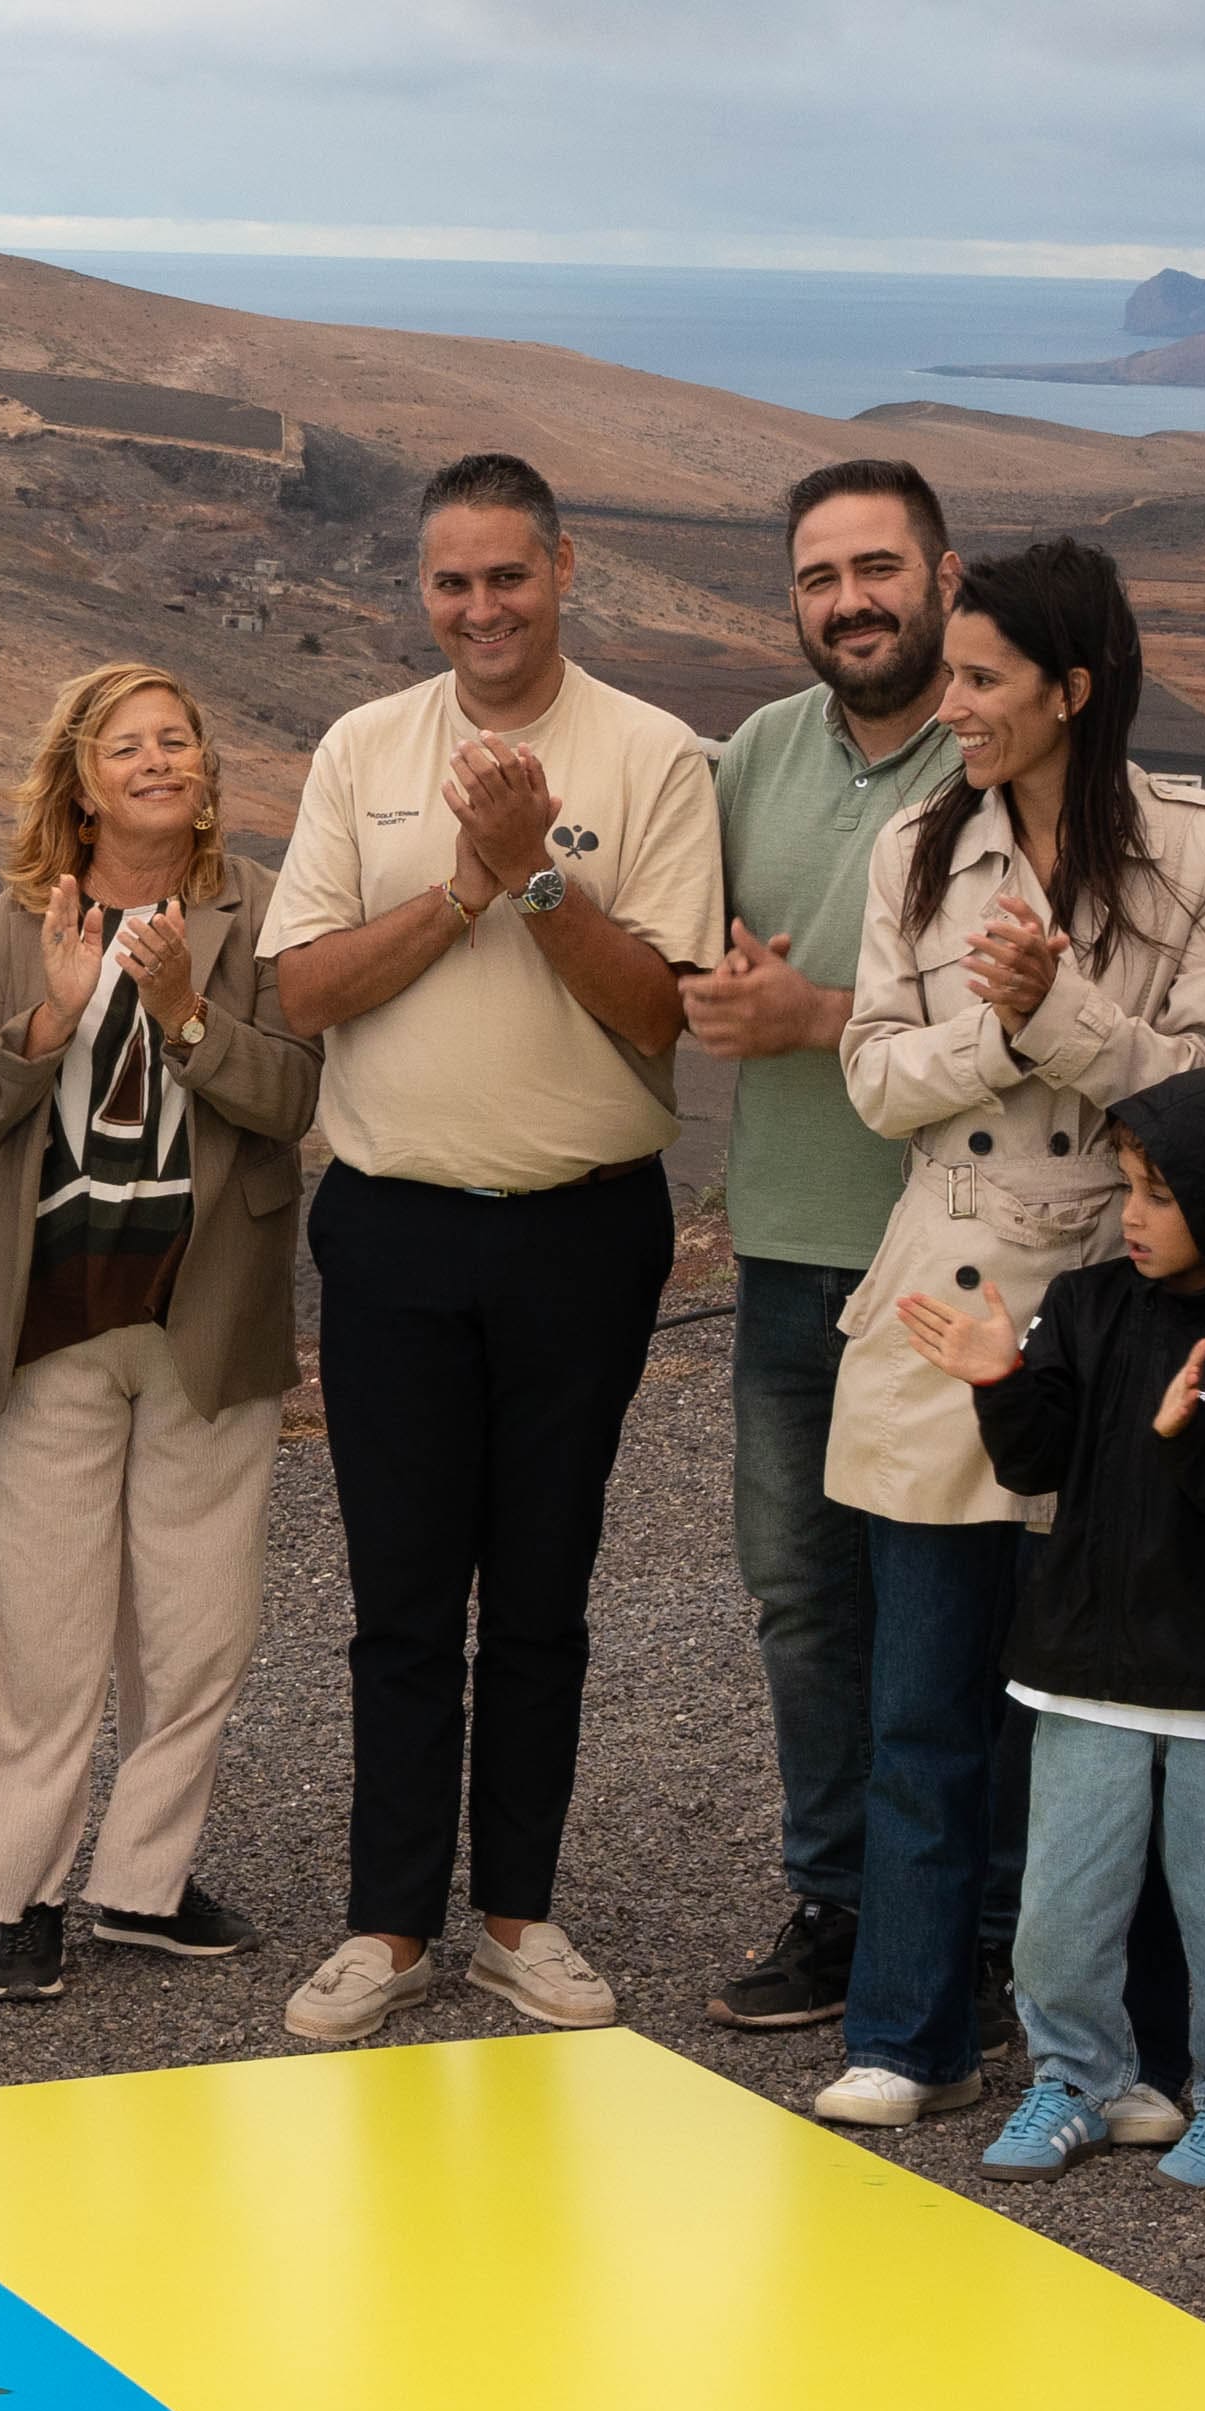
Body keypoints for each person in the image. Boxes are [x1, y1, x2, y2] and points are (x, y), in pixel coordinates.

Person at [257, 453, 725, 2044]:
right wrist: (458, 892)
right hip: (391, 1227)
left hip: (583, 1232)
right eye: (451, 583)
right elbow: (303, 990)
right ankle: (388, 1925)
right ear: (423, 591)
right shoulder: (363, 747)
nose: (480, 609)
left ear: (564, 568)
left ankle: (519, 1913)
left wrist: (535, 879)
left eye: (507, 577)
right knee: (399, 1594)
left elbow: (663, 1006)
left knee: (541, 1587)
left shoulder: (653, 753)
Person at [817, 534, 1205, 2131]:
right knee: (926, 1691)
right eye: (951, 673)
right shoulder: (917, 854)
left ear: (1074, 690)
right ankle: (909, 2032)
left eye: (984, 678)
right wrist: (999, 1029)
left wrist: (1058, 1013)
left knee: (1116, 1698)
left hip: (1123, 1294)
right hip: (948, 1289)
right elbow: (875, 1078)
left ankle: (1124, 2049)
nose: (952, 705)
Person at [0, 661, 317, 2001]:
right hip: (48, 1317)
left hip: (206, 1309)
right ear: (79, 778)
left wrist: (186, 1015)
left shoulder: (262, 913)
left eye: (178, 740)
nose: (159, 760)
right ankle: (16, 1889)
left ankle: (143, 1881)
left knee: (201, 1621)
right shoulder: (16, 918)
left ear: (206, 768)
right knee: (37, 1627)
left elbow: (292, 1094)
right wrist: (52, 1008)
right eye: (128, 745)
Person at [906, 1067, 1205, 2192]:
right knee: (1060, 1907)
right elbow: (1036, 1459)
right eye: (1129, 1188)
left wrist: (1192, 1439)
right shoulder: (1088, 1303)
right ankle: (1073, 2079)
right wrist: (1000, 1380)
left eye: (1157, 1192)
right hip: (1082, 1664)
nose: (1130, 1214)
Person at [678, 459, 975, 2032]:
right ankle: (842, 1902)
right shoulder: (756, 758)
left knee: (955, 1601)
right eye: (818, 577)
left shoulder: (997, 752)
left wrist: (813, 1015)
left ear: (942, 571)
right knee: (804, 1596)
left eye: (877, 567)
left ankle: (978, 1926)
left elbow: (1020, 1020)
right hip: (790, 1246)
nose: (849, 599)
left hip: (965, 1257)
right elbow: (689, 952)